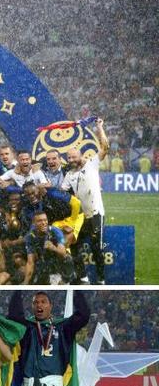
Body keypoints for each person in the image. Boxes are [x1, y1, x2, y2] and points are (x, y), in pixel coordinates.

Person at [7, 290, 90, 386]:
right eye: (36, 302)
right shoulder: (27, 328)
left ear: (50, 306)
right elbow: (14, 315)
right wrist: (19, 289)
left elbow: (83, 315)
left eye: (43, 301)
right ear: (32, 306)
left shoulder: (63, 327)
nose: (39, 305)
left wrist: (77, 290)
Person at [62, 119, 111, 284]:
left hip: (96, 213)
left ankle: (101, 280)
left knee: (97, 248)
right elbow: (63, 193)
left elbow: (105, 147)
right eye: (68, 158)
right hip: (82, 217)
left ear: (80, 155)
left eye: (73, 156)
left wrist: (99, 128)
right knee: (73, 243)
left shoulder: (92, 164)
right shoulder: (69, 175)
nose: (71, 159)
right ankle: (83, 277)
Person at [23, 211, 73, 285]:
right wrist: (25, 283)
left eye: (45, 220)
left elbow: (63, 253)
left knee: (68, 259)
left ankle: (65, 282)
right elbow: (30, 262)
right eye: (40, 221)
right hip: (43, 263)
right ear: (34, 223)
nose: (44, 223)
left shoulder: (55, 231)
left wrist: (53, 248)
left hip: (57, 262)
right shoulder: (30, 237)